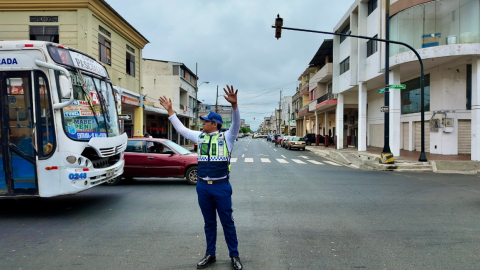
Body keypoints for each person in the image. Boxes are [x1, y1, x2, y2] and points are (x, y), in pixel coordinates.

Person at [158, 85, 243, 270]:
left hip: (221, 186)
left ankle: (234, 255)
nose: (202, 123)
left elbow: (236, 124)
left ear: (215, 124)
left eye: (206, 121)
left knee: (227, 222)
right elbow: (181, 129)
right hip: (203, 186)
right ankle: (210, 254)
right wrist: (171, 111)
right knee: (209, 222)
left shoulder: (227, 137)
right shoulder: (200, 137)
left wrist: (235, 107)